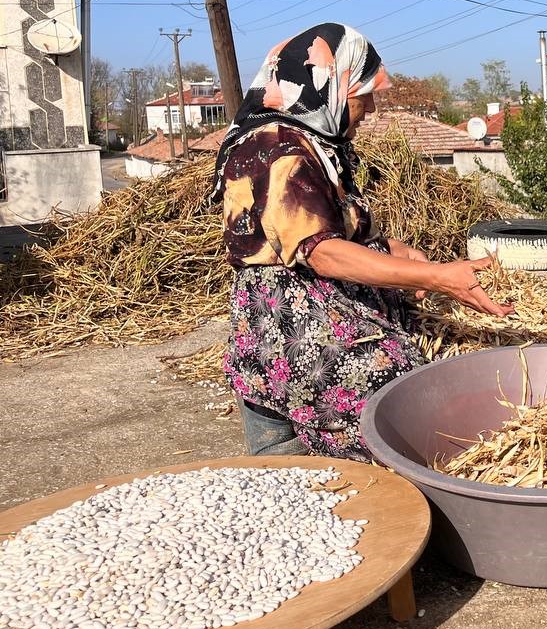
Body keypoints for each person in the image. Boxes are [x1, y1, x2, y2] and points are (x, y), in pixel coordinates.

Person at [211, 23, 511, 460]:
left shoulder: (312, 140)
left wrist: (393, 250)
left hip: (307, 309)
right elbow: (324, 252)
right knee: (401, 407)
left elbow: (334, 231)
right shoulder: (278, 150)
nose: (369, 107)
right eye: (361, 93)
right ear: (327, 85)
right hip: (295, 328)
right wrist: (437, 276)